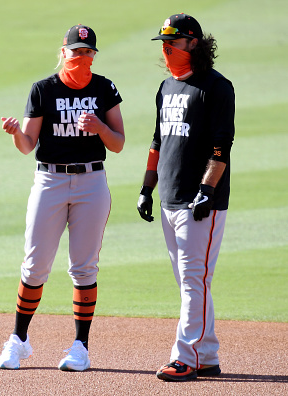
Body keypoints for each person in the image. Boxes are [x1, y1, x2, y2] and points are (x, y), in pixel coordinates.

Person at [0, 24, 124, 371]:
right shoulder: (44, 90)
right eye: (76, 51)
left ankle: (80, 347)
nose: (82, 57)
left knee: (84, 267)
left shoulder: (104, 88)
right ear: (63, 52)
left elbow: (118, 142)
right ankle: (18, 340)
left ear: (93, 55)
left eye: (88, 52)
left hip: (91, 181)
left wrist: (99, 128)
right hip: (49, 180)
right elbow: (27, 145)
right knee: (35, 265)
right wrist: (15, 133)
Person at [137, 13, 235, 381]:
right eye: (163, 43)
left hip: (201, 202)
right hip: (168, 198)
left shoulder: (216, 87)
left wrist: (207, 191)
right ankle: (206, 354)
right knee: (189, 280)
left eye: (173, 42)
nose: (166, 49)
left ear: (194, 43)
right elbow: (157, 141)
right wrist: (147, 188)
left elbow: (221, 147)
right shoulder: (166, 88)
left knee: (194, 277)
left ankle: (186, 357)